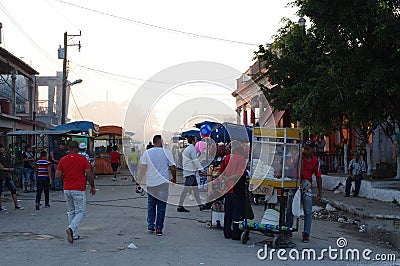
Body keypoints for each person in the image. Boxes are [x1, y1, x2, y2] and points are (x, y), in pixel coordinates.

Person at [56, 141, 96, 244]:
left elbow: (58, 175)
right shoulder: (82, 159)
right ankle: (71, 228)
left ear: (68, 148)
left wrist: (66, 176)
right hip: (78, 188)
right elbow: (89, 174)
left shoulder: (63, 159)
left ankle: (73, 234)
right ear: (77, 148)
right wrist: (92, 186)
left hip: (67, 188)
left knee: (71, 211)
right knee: (81, 212)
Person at [137, 135, 176, 236]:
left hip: (151, 183)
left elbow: (143, 168)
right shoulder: (167, 152)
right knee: (161, 206)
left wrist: (139, 182)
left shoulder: (147, 153)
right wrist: (174, 178)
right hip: (163, 183)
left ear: (153, 142)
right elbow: (172, 167)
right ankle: (159, 228)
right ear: (161, 141)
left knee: (151, 204)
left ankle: (151, 225)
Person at [286, 139, 322, 243]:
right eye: (304, 149)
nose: (305, 151)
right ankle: (288, 228)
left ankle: (306, 233)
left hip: (306, 186)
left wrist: (320, 192)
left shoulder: (315, 161)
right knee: (290, 208)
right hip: (295, 183)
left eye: (308, 149)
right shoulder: (298, 156)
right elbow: (289, 166)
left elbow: (318, 177)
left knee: (308, 211)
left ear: (312, 149)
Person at [218, 140, 247, 240]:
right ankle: (236, 234)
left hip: (228, 189)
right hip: (237, 188)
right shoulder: (241, 159)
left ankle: (227, 232)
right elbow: (239, 174)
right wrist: (230, 178)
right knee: (237, 213)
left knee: (228, 211)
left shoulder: (227, 158)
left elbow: (221, 172)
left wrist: (225, 179)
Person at [177, 135, 204, 212]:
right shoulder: (192, 149)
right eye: (196, 140)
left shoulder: (188, 148)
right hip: (190, 172)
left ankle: (200, 205)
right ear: (192, 141)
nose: (197, 141)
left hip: (190, 171)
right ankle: (180, 206)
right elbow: (195, 160)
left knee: (195, 190)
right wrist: (201, 169)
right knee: (186, 190)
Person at [0, 144, 24, 211]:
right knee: (0, 191)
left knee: (13, 189)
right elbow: (1, 168)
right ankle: (0, 206)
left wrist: (11, 159)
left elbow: (9, 164)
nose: (1, 150)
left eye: (2, 148)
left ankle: (16, 205)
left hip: (7, 175)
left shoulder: (7, 155)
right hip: (1, 176)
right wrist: (9, 169)